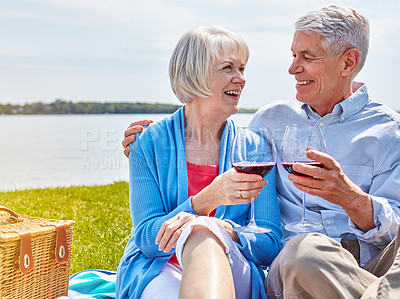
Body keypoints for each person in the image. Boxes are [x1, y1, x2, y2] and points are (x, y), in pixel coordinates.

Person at [123, 5, 400, 298]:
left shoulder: (389, 131)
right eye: (294, 55)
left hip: (376, 264)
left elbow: (266, 238)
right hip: (304, 264)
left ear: (348, 63)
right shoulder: (269, 123)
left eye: (307, 57)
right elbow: (148, 232)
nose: (293, 68)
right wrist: (148, 147)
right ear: (194, 73)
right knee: (304, 250)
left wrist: (352, 199)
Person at [116, 26, 282, 299]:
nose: (240, 79)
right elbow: (147, 239)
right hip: (159, 269)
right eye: (228, 68)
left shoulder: (255, 148)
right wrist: (205, 200)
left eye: (242, 69)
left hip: (232, 267)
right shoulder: (147, 143)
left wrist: (219, 228)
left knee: (203, 229)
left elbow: (269, 242)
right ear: (194, 74)